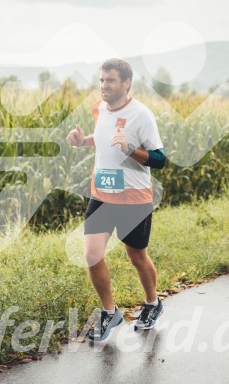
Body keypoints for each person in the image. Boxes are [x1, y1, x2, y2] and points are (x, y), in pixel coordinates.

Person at [66, 58, 166, 341]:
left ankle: (152, 303)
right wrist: (81, 140)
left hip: (134, 199)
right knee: (91, 254)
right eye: (101, 80)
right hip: (101, 195)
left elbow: (160, 160)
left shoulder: (142, 115)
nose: (103, 86)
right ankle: (110, 313)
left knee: (136, 255)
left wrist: (131, 149)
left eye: (110, 80)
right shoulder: (99, 108)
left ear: (126, 83)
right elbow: (103, 137)